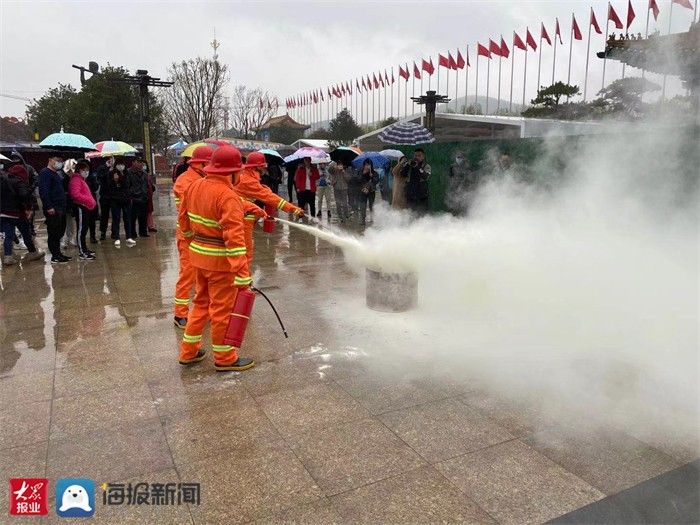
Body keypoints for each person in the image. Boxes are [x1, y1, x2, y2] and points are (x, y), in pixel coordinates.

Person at [177, 145, 256, 372]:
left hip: (199, 259)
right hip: (221, 265)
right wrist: (242, 274)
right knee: (222, 311)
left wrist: (197, 243)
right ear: (231, 172)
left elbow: (184, 222)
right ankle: (225, 358)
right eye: (238, 170)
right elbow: (234, 240)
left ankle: (188, 351)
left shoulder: (195, 186)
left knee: (200, 304)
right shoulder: (227, 195)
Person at [235, 151, 303, 267]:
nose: (265, 170)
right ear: (256, 167)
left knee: (243, 251)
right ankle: (243, 282)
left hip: (241, 216)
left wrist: (263, 188)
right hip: (242, 219)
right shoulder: (249, 181)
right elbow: (271, 198)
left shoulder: (246, 176)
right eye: (263, 167)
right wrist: (293, 209)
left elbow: (257, 190)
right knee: (245, 252)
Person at [172, 146, 213, 329]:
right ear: (200, 164)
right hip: (187, 236)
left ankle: (202, 311)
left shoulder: (202, 179)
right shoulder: (184, 181)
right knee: (187, 275)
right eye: (209, 163)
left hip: (201, 236)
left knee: (202, 276)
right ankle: (180, 314)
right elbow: (190, 209)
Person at [1, 164, 45, 266]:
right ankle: (33, 252)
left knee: (9, 235)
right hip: (17, 213)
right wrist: (29, 207)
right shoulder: (19, 181)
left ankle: (8, 257)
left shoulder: (3, 180)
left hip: (4, 213)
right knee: (26, 233)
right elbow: (24, 195)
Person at [38, 155, 72, 263]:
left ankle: (58, 253)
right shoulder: (45, 173)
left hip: (61, 207)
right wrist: (48, 206)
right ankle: (55, 255)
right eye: (57, 161)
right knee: (54, 232)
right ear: (50, 160)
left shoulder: (56, 174)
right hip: (53, 208)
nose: (59, 163)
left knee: (59, 231)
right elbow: (44, 192)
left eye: (61, 161)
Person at [68, 160, 97, 260]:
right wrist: (89, 200)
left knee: (84, 229)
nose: (86, 172)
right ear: (79, 170)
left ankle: (84, 248)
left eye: (87, 170)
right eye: (84, 170)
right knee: (81, 230)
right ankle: (82, 252)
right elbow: (75, 195)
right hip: (81, 207)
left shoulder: (81, 180)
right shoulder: (76, 180)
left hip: (85, 207)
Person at [108, 159, 135, 247]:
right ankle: (117, 237)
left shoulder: (127, 173)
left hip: (126, 199)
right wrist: (115, 181)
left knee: (127, 218)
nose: (121, 166)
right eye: (119, 164)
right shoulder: (111, 173)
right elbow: (108, 186)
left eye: (122, 164)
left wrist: (129, 193)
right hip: (115, 199)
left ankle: (129, 236)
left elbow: (130, 185)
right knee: (116, 218)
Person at [402, 148, 431, 214]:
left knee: (423, 214)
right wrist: (407, 165)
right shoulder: (409, 164)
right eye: (415, 155)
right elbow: (402, 174)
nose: (417, 157)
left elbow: (425, 176)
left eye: (419, 155)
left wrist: (417, 167)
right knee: (411, 213)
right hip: (410, 193)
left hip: (422, 194)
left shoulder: (427, 166)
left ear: (423, 157)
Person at [127, 158, 150, 239]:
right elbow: (127, 185)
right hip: (134, 198)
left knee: (143, 217)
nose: (140, 164)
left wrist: (146, 193)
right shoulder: (129, 172)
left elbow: (147, 184)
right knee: (132, 217)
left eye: (141, 162)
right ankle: (133, 233)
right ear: (133, 162)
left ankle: (143, 232)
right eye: (138, 162)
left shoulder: (144, 173)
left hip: (143, 197)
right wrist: (131, 194)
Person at [60, 158, 78, 250]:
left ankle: (70, 238)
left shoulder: (74, 178)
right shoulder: (62, 177)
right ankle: (63, 240)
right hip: (63, 204)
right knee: (63, 223)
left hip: (71, 204)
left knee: (70, 222)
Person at [96, 157, 115, 240]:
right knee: (104, 215)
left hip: (114, 195)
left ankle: (114, 232)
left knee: (115, 215)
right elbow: (100, 178)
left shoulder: (115, 168)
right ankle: (103, 232)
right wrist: (109, 171)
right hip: (104, 196)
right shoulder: (102, 168)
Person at [358, 159, 379, 226]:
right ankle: (363, 219)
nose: (367, 166)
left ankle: (372, 218)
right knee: (363, 206)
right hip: (362, 191)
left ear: (371, 165)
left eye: (368, 165)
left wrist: (372, 177)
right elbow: (358, 180)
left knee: (371, 205)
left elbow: (376, 181)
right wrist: (363, 174)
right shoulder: (360, 172)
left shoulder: (374, 173)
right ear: (364, 165)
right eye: (366, 165)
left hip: (371, 192)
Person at [85, 161, 99, 243]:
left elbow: (95, 187)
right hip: (82, 201)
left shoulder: (92, 175)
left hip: (91, 199)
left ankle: (92, 236)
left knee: (92, 220)